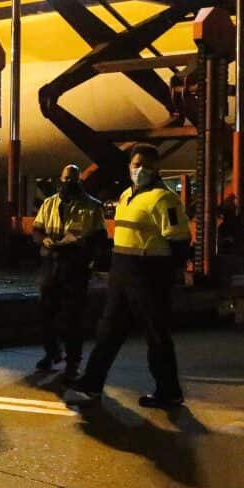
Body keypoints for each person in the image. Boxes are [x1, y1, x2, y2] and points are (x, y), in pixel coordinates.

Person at [64, 144, 191, 408]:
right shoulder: (125, 195)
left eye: (147, 165)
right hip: (122, 272)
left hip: (149, 275)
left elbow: (179, 242)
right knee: (108, 330)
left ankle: (169, 392)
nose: (141, 170)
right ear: (129, 166)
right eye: (137, 164)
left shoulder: (164, 199)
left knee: (156, 334)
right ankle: (91, 384)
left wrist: (166, 276)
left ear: (157, 168)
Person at [30, 164, 105, 379]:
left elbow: (100, 238)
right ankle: (52, 352)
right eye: (65, 179)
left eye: (72, 179)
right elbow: (37, 230)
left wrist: (86, 251)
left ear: (79, 181)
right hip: (51, 264)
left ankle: (73, 361)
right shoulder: (49, 203)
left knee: (73, 317)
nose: (68, 183)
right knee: (46, 313)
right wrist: (43, 239)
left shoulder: (92, 206)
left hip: (75, 267)